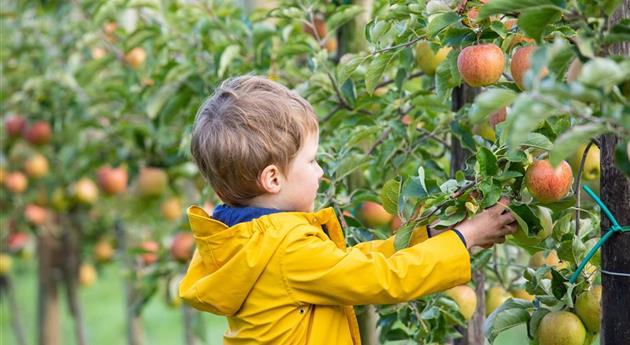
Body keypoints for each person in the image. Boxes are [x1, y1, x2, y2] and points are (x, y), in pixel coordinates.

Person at [179, 75, 516, 345]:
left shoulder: (250, 243)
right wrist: (465, 236)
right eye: (311, 161)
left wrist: (425, 236)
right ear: (272, 178)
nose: (320, 171)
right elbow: (382, 279)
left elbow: (352, 265)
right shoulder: (286, 251)